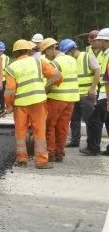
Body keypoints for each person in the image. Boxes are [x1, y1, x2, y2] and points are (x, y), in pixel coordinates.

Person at [4, 40, 61, 168]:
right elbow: (57, 75)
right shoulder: (38, 61)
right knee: (39, 131)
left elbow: (10, 91)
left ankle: (22, 160)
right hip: (38, 102)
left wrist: (9, 106)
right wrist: (46, 87)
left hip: (20, 105)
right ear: (30, 51)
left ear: (15, 53)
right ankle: (41, 162)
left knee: (20, 132)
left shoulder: (11, 67)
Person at [41, 38, 79, 162]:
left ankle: (51, 153)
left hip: (57, 98)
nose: (46, 56)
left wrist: (44, 91)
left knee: (50, 126)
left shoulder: (55, 63)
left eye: (46, 52)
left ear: (51, 49)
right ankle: (59, 154)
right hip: (71, 99)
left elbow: (54, 80)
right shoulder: (73, 60)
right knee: (63, 127)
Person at [66, 38, 101, 148]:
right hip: (74, 95)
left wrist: (92, 89)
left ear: (71, 50)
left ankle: (92, 145)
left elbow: (97, 71)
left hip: (87, 95)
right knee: (74, 119)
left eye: (67, 53)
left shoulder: (87, 56)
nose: (66, 55)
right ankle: (75, 141)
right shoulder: (70, 60)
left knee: (90, 120)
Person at [80, 28, 109, 156]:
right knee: (106, 121)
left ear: (105, 41)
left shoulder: (107, 54)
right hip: (103, 92)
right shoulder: (103, 54)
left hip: (106, 93)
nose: (97, 42)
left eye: (99, 40)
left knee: (94, 120)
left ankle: (93, 148)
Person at [0, 41, 9, 109]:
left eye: (1, 51)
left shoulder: (6, 58)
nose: (0, 52)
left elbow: (6, 69)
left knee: (1, 95)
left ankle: (1, 109)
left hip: (3, 79)